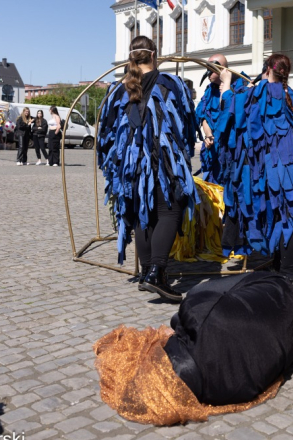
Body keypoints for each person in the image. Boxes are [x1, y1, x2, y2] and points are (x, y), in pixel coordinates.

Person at [93, 271, 293, 425]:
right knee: (197, 295)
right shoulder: (203, 315)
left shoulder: (228, 393)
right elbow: (180, 319)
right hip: (274, 287)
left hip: (286, 315)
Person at [97, 35, 198, 301]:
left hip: (129, 165)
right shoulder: (170, 83)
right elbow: (187, 121)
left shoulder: (116, 89)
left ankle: (149, 274)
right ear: (154, 55)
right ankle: (156, 272)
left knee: (141, 212)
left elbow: (105, 132)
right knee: (170, 210)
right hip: (162, 158)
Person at [217, 54, 293, 285]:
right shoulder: (292, 96)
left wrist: (226, 85)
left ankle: (287, 272)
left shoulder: (257, 94)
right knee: (288, 215)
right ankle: (282, 267)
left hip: (276, 164)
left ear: (267, 69)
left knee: (282, 214)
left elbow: (231, 113)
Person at [195, 54, 246, 184]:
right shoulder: (209, 91)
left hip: (232, 152)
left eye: (211, 69)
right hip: (213, 153)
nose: (208, 73)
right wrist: (208, 135)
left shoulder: (241, 87)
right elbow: (203, 115)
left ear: (222, 69)